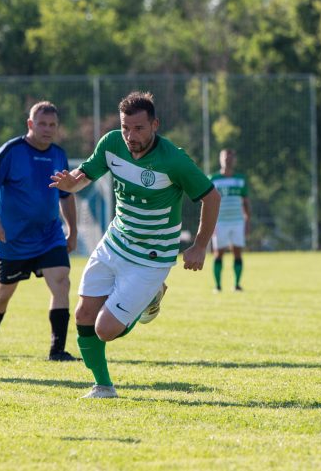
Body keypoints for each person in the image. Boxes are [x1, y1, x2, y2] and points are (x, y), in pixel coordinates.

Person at [49, 91, 220, 398]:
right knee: (84, 316)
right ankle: (103, 387)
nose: (130, 135)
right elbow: (85, 175)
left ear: (155, 124)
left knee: (105, 329)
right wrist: (70, 183)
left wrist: (200, 245)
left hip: (152, 257)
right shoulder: (112, 143)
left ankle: (149, 298)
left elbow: (211, 196)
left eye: (139, 128)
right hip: (115, 242)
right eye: (126, 127)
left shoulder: (173, 160)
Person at [0, 101, 79, 362]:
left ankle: (57, 351)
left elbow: (66, 195)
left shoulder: (58, 154)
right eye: (42, 124)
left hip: (49, 236)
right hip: (15, 240)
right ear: (30, 124)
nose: (47, 129)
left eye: (52, 124)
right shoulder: (12, 151)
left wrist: (72, 230)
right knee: (3, 294)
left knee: (61, 282)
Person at [209, 149, 250, 292]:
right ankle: (218, 286)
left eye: (230, 158)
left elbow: (245, 201)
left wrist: (247, 220)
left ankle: (237, 284)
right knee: (218, 253)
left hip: (237, 221)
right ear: (220, 159)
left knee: (237, 252)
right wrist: (210, 223)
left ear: (235, 160)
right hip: (220, 222)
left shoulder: (240, 179)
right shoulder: (213, 179)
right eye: (225, 157)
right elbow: (208, 202)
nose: (228, 160)